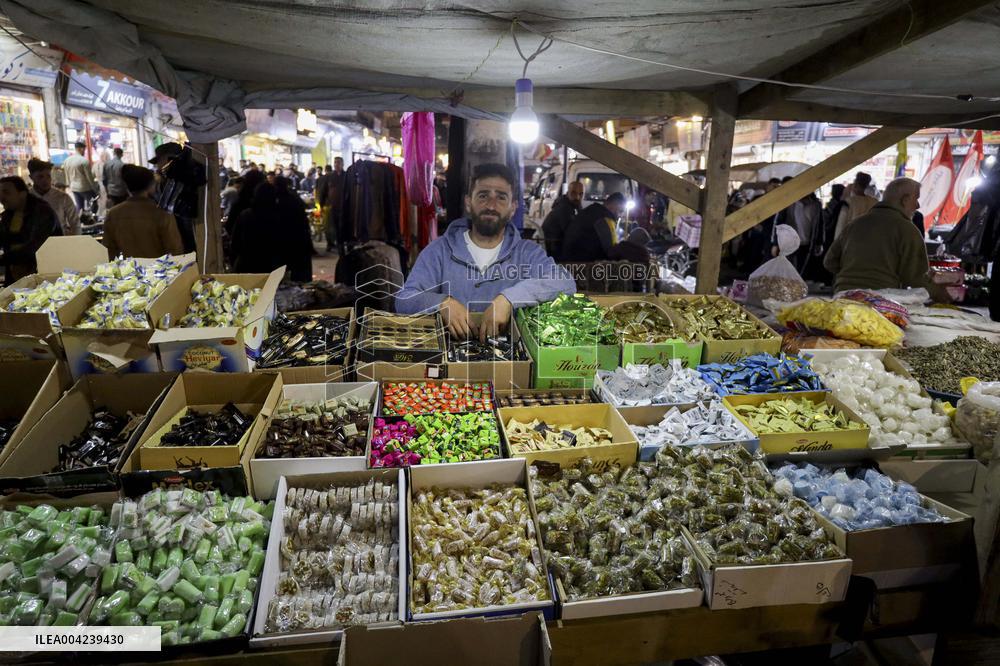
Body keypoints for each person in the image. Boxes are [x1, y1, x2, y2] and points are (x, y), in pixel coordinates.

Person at [395, 163, 575, 340]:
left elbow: (565, 282)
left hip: (509, 363)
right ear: (468, 202)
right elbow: (404, 300)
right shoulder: (439, 251)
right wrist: (442, 303)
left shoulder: (527, 253)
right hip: (449, 363)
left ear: (513, 208)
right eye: (483, 196)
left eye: (501, 197)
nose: (491, 205)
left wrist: (508, 299)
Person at [824, 177, 948, 301]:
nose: (917, 205)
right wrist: (942, 294)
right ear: (905, 200)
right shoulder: (908, 230)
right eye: (916, 199)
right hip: (879, 300)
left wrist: (850, 276)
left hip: (842, 295)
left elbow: (829, 262)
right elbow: (916, 278)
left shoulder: (854, 224)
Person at [103, 165, 184, 259]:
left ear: (127, 186)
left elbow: (108, 251)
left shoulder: (113, 214)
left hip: (130, 271)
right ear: (150, 186)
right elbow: (175, 250)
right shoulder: (162, 213)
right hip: (159, 271)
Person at [0, 176, 61, 284]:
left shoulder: (42, 212)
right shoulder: (7, 215)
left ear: (22, 194)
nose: (2, 197)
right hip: (15, 276)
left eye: (6, 192)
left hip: (43, 276)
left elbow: (35, 247)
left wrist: (4, 259)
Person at [229, 182, 286, 274]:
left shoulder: (245, 215)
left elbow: (235, 243)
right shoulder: (279, 216)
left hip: (246, 264)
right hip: (270, 266)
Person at [559, 192, 627, 263]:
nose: (621, 216)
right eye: (621, 211)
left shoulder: (591, 210)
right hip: (583, 265)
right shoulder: (606, 219)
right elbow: (612, 251)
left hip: (568, 258)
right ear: (614, 205)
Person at [274, 176, 313, 282]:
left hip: (281, 241)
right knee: (298, 274)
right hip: (298, 240)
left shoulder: (274, 200)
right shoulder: (293, 198)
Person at [27, 158, 79, 236]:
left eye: (48, 176)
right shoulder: (26, 198)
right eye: (40, 177)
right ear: (31, 177)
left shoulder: (62, 197)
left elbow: (75, 224)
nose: (45, 180)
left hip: (59, 241)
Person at [541, 180, 583, 258]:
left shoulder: (568, 204)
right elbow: (570, 232)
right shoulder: (564, 208)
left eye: (580, 194)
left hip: (556, 245)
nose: (577, 197)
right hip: (554, 248)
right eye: (573, 193)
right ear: (568, 193)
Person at [834, 172, 878, 239]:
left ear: (855, 184)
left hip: (850, 242)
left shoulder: (849, 202)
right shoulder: (874, 202)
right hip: (868, 241)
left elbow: (840, 226)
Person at [62, 141, 98, 212]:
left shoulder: (67, 160)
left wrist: (69, 185)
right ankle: (92, 218)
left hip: (73, 187)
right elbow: (89, 177)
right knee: (93, 203)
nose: (84, 151)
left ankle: (81, 220)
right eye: (84, 149)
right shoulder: (84, 161)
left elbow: (66, 175)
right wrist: (95, 189)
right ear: (81, 149)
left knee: (80, 206)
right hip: (85, 188)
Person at [322, 157, 346, 253]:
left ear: (342, 164)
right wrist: (322, 203)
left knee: (343, 227)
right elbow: (324, 191)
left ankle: (343, 245)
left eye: (339, 162)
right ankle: (334, 244)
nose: (337, 164)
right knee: (332, 227)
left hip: (344, 207)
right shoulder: (330, 177)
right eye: (335, 162)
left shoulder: (346, 176)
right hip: (332, 207)